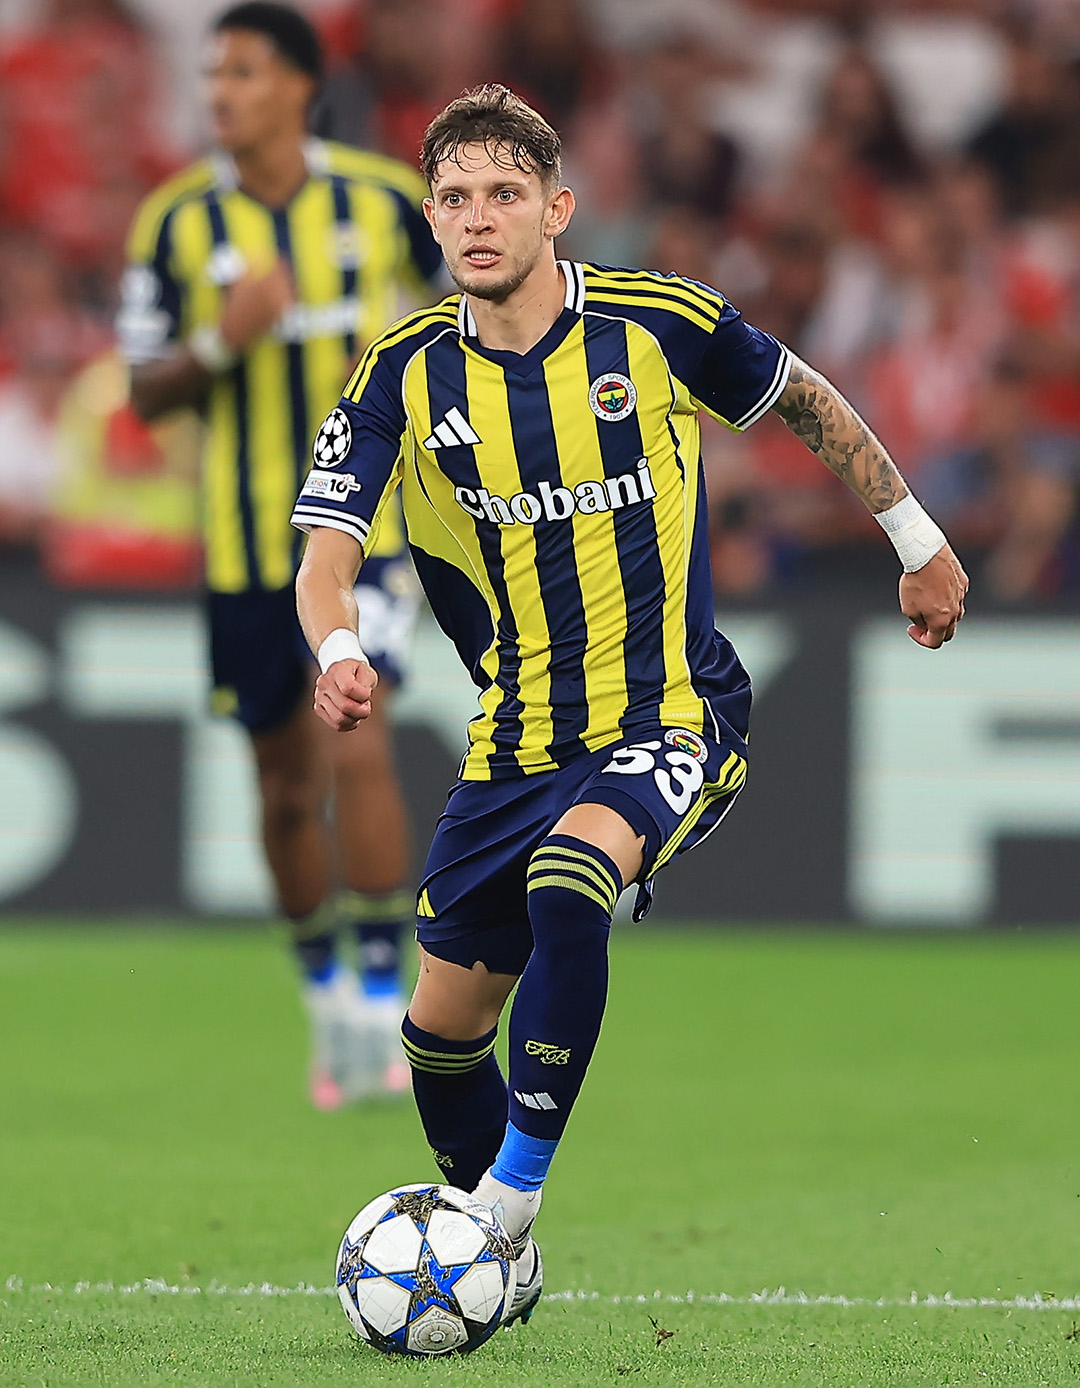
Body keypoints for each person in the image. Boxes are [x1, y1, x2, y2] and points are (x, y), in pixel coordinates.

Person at [292, 85, 968, 1324]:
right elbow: (323, 554)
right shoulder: (402, 371)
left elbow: (804, 397)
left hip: (673, 711)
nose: (478, 217)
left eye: (504, 193)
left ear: (557, 209)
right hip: (515, 739)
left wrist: (916, 541)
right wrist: (336, 645)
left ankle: (506, 1210)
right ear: (431, 219)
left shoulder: (657, 324)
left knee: (572, 878)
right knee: (439, 1038)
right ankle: (499, 1261)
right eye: (454, 197)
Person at [117, 2, 445, 1107]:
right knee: (281, 786)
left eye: (245, 71)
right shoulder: (174, 222)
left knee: (357, 740)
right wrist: (225, 337)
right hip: (244, 549)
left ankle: (382, 990)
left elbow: (476, 317)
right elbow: (142, 387)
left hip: (366, 536)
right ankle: (324, 992)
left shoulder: (386, 203)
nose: (221, 91)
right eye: (213, 73)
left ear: (302, 85)